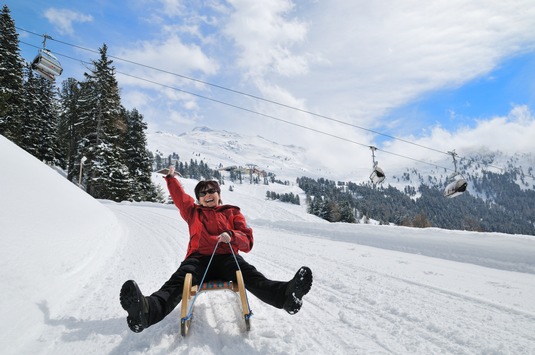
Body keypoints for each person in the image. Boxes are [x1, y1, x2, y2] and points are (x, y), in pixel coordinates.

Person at [120, 166, 313, 333]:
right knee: (178, 282)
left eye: (211, 190)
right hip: (197, 260)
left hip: (226, 258)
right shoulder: (193, 212)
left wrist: (232, 235)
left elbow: (247, 240)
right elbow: (180, 197)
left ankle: (285, 296)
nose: (207, 195)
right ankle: (147, 311)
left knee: (251, 276)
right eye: (202, 194)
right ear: (199, 200)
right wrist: (171, 179)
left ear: (219, 194)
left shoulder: (232, 212)